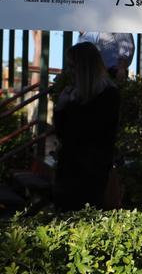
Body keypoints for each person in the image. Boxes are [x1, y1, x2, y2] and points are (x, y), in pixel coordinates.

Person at [53, 42, 120, 210]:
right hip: (71, 168)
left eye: (72, 66)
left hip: (91, 170)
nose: (69, 72)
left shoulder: (108, 94)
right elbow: (62, 133)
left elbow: (89, 133)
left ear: (83, 67)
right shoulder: (74, 94)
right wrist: (61, 107)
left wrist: (66, 107)